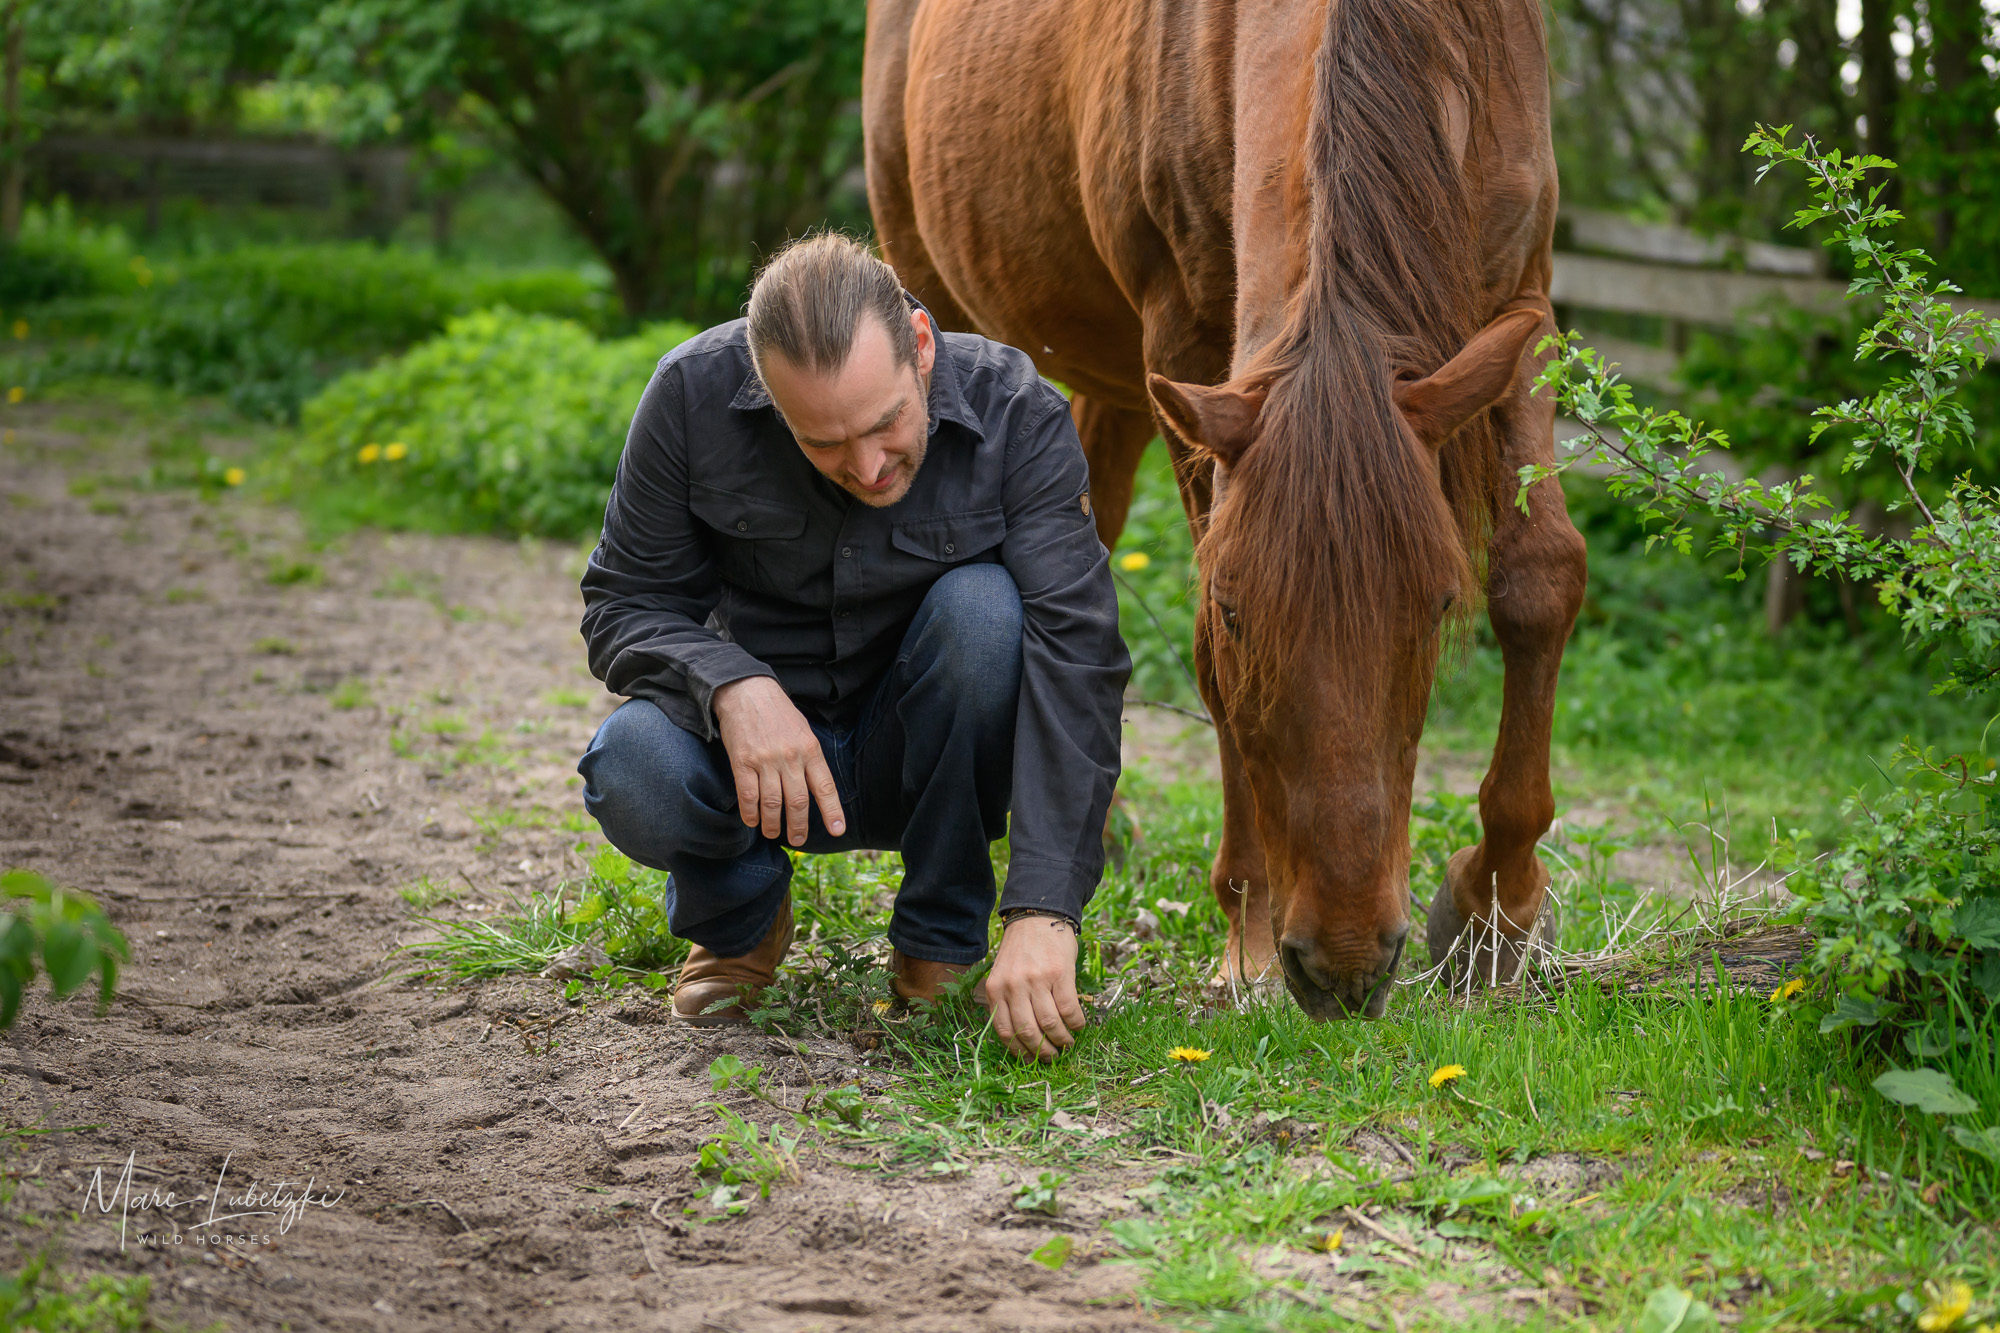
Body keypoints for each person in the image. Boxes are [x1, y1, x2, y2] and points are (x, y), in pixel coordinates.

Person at [576, 233, 1130, 1062]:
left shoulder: (1017, 408)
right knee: (630, 766)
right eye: (823, 443)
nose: (868, 467)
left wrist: (1045, 911)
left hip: (928, 750)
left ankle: (940, 939)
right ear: (764, 391)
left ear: (921, 344)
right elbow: (624, 602)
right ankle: (738, 922)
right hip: (757, 767)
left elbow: (1076, 654)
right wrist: (732, 687)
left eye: (886, 424)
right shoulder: (690, 395)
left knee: (985, 612)